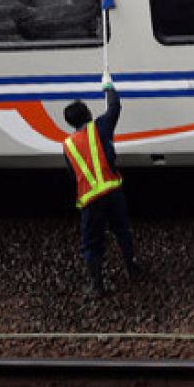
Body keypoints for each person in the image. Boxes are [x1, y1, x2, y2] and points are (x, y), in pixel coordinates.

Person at [62, 69, 141, 296]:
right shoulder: (100, 127)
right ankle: (132, 267)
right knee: (122, 230)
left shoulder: (67, 146)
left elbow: (72, 174)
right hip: (112, 191)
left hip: (89, 199)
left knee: (91, 243)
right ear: (87, 114)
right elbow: (115, 107)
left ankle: (96, 285)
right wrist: (108, 86)